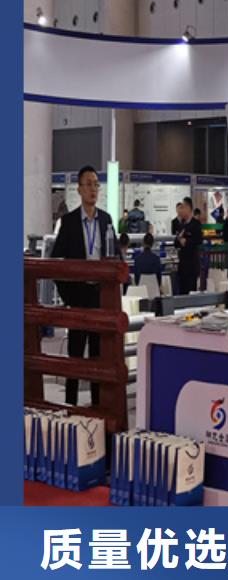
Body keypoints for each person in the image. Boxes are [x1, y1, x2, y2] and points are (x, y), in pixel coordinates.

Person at [51, 165, 118, 406]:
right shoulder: (68, 222)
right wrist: (68, 296)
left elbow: (116, 256)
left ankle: (98, 407)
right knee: (76, 356)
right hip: (77, 297)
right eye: (88, 184)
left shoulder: (106, 220)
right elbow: (56, 262)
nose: (93, 189)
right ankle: (71, 407)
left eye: (96, 184)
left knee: (98, 356)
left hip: (99, 296)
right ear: (79, 189)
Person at [175, 197, 202, 294]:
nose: (181, 210)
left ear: (188, 208)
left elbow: (198, 240)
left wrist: (186, 241)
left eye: (182, 207)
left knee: (191, 293)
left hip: (192, 266)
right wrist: (179, 240)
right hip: (182, 266)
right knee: (182, 293)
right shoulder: (181, 224)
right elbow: (176, 242)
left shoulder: (196, 224)